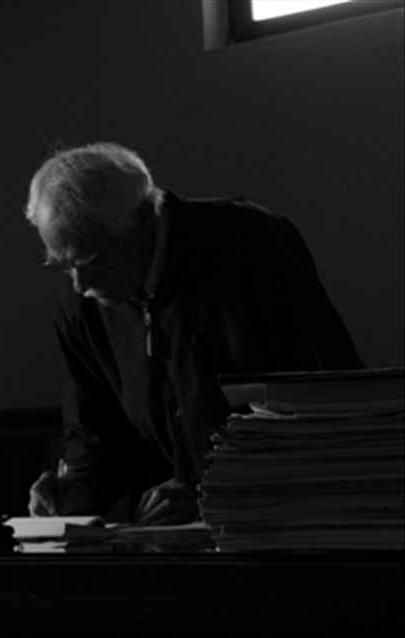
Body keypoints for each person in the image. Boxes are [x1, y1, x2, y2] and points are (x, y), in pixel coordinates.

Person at [25, 142, 364, 525]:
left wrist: (220, 491)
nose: (80, 284)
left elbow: (332, 400)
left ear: (144, 220)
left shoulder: (251, 242)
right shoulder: (81, 307)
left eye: (94, 262)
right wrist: (81, 490)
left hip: (287, 520)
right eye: (61, 265)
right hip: (168, 535)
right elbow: (96, 436)